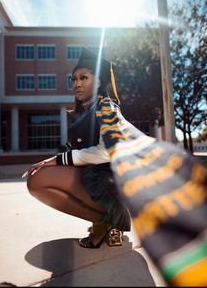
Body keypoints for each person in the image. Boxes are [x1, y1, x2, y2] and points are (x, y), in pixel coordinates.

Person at [23, 47, 131, 249]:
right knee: (38, 180)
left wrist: (57, 160)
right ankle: (104, 220)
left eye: (84, 78)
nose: (77, 84)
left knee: (40, 178)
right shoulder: (84, 112)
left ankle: (115, 215)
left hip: (110, 180)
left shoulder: (107, 107)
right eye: (74, 79)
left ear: (98, 81)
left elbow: (107, 150)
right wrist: (62, 156)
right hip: (92, 176)